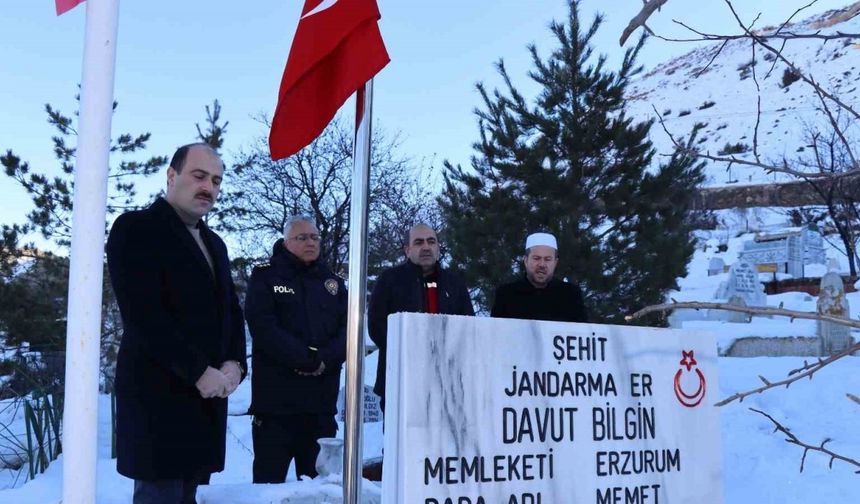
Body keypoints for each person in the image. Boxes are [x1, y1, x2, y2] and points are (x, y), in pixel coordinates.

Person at [107, 143, 247, 504]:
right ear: (171, 176)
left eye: (216, 181)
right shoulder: (136, 228)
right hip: (159, 403)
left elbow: (231, 309)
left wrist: (235, 364)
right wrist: (199, 371)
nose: (209, 188)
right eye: (199, 176)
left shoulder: (214, 243)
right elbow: (143, 315)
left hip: (205, 406)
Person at [243, 216, 347, 483]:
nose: (310, 242)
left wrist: (324, 359)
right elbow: (264, 327)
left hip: (319, 407)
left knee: (320, 488)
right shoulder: (266, 277)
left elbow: (348, 332)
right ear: (287, 241)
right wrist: (307, 359)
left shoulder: (333, 283)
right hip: (277, 406)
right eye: (302, 238)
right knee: (268, 486)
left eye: (314, 237)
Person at [368, 223, 474, 412]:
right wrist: (412, 350)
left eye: (431, 241)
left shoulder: (454, 282)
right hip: (401, 377)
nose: (426, 247)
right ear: (407, 250)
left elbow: (468, 326)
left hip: (446, 380)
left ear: (438, 247)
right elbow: (377, 327)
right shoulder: (390, 280)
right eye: (418, 242)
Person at [491, 232, 588, 323]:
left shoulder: (571, 295)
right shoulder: (506, 294)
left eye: (547, 259)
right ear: (525, 260)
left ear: (555, 263)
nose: (542, 264)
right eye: (536, 258)